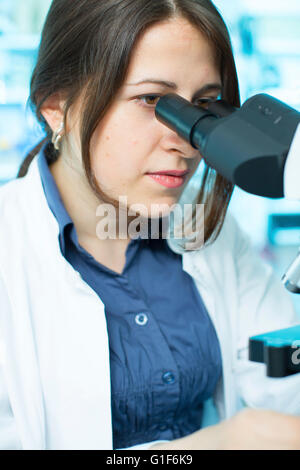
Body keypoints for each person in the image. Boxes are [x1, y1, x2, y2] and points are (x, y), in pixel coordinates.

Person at [0, 0, 300, 451]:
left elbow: (283, 397)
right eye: (153, 101)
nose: (184, 143)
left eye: (203, 106)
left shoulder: (210, 232)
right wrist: (222, 443)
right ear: (55, 105)